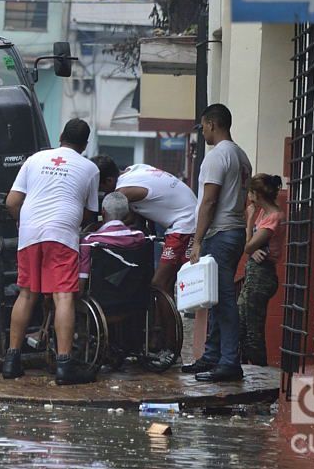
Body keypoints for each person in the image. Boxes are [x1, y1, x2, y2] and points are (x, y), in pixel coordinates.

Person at [3, 118, 99, 385]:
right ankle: (65, 366)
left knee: (27, 293)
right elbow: (90, 213)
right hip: (62, 233)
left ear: (60, 136)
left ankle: (11, 361)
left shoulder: (35, 159)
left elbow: (12, 202)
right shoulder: (90, 168)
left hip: (30, 232)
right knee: (64, 297)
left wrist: (24, 224)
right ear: (85, 144)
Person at [184, 103, 252, 382]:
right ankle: (212, 356)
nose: (203, 133)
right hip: (233, 231)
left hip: (220, 234)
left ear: (212, 124)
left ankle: (228, 362)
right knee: (215, 298)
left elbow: (209, 201)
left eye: (203, 127)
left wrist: (197, 241)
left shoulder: (217, 156)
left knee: (223, 301)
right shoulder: (241, 155)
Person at [94, 157, 197, 296]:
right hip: (189, 217)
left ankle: (165, 317)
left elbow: (114, 225)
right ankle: (164, 317)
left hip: (184, 224)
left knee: (159, 285)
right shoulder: (135, 169)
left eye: (101, 188)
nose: (102, 193)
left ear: (109, 181)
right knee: (167, 283)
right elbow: (137, 217)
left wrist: (93, 229)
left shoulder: (122, 192)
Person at [237, 173, 284, 366]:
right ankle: (245, 365)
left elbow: (248, 246)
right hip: (254, 271)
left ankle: (258, 370)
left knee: (252, 328)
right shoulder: (264, 213)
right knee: (241, 320)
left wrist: (249, 222)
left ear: (256, 194)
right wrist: (253, 250)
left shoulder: (273, 217)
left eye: (250, 192)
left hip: (262, 275)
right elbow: (253, 249)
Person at [78, 191, 146, 284]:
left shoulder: (90, 241)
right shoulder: (139, 237)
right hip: (133, 293)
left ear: (103, 212)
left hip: (99, 294)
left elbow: (82, 279)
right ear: (127, 213)